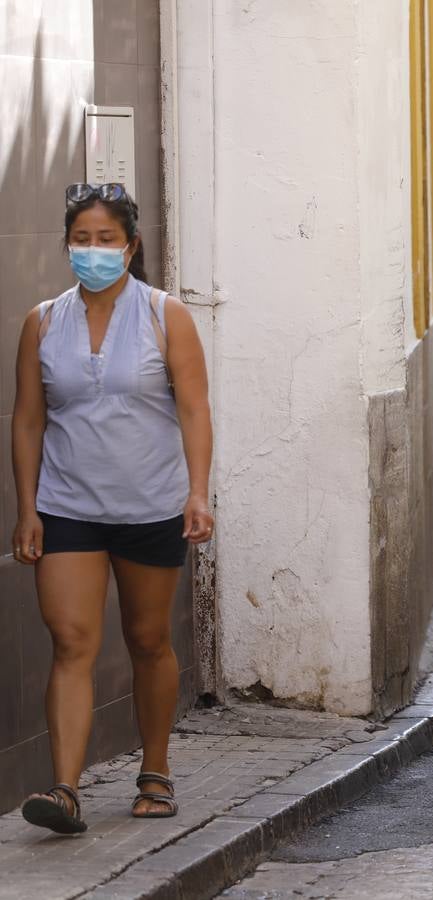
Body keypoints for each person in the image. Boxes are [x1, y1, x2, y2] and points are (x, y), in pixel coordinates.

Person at [11, 183, 214, 834]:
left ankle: (154, 769)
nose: (92, 251)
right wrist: (27, 508)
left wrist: (198, 490)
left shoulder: (165, 316)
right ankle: (65, 789)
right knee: (71, 642)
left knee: (148, 640)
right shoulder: (42, 321)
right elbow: (27, 421)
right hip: (68, 503)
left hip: (151, 504)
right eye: (81, 239)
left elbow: (193, 409)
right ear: (66, 245)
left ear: (131, 247)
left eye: (106, 240)